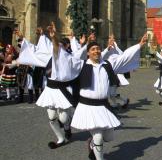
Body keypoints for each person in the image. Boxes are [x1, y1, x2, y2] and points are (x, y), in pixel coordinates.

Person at [45, 22, 147, 160]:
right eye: (93, 49)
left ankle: (93, 145)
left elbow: (124, 58)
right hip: (88, 107)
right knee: (98, 137)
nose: (96, 51)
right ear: (88, 53)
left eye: (98, 49)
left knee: (109, 137)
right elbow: (62, 57)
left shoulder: (107, 65)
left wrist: (139, 45)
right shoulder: (81, 65)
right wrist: (54, 38)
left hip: (104, 106)